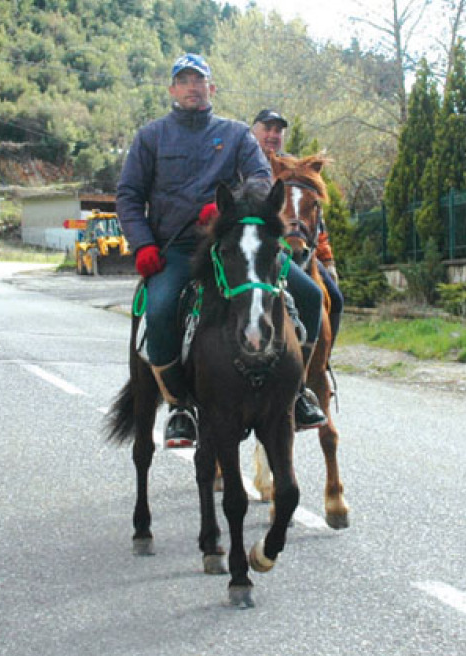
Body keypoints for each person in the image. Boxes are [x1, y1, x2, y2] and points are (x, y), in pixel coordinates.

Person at [116, 54, 326, 448]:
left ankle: (296, 392)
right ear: (173, 90)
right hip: (176, 250)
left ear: (212, 89)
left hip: (234, 245)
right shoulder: (151, 136)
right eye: (185, 80)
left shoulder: (235, 135)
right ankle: (179, 406)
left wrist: (235, 208)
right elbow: (128, 195)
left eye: (200, 80)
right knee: (159, 312)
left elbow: (263, 180)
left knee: (312, 297)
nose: (193, 86)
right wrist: (143, 243)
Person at [250, 108, 345, 346]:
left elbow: (313, 218)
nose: (273, 135)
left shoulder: (294, 168)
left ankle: (320, 363)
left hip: (298, 250)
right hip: (256, 252)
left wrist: (327, 259)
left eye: (278, 130)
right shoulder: (243, 163)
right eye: (267, 128)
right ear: (254, 131)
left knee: (334, 297)